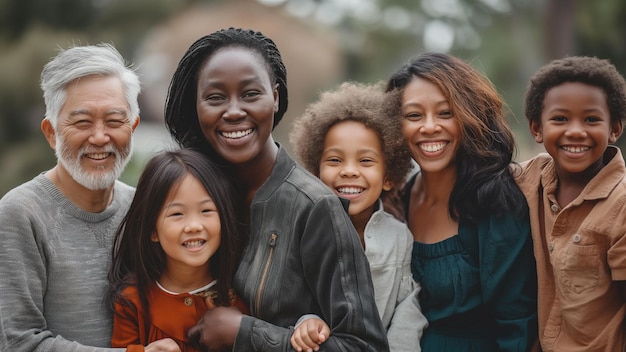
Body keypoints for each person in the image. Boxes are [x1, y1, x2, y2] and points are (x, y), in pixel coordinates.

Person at [163, 27, 389, 351]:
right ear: (197, 106)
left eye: (250, 94)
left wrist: (247, 334)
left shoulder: (314, 208)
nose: (234, 110)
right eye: (215, 97)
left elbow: (364, 346)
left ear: (276, 97)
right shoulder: (184, 192)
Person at [0, 44, 179, 351]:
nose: (99, 137)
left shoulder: (144, 209)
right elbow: (18, 342)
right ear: (51, 132)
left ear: (133, 128)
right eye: (82, 122)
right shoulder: (20, 214)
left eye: (114, 121)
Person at [385, 52, 538, 351]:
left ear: (470, 117)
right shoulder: (394, 200)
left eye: (445, 113)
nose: (429, 127)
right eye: (414, 115)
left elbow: (517, 328)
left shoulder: (497, 204)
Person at [289, 81, 427, 352]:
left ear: (388, 177)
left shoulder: (401, 238)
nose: (349, 171)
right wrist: (307, 320)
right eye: (335, 160)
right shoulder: (305, 233)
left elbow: (408, 308)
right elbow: (294, 300)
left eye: (365, 161)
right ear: (316, 174)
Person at [514, 56, 626, 351]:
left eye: (591, 119)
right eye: (560, 119)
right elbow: (477, 181)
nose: (575, 131)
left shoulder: (622, 205)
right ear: (536, 129)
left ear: (614, 128)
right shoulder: (529, 179)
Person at [108, 148, 248, 352]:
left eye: (206, 210)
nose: (194, 225)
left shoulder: (236, 301)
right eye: (177, 214)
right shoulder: (132, 300)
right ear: (152, 230)